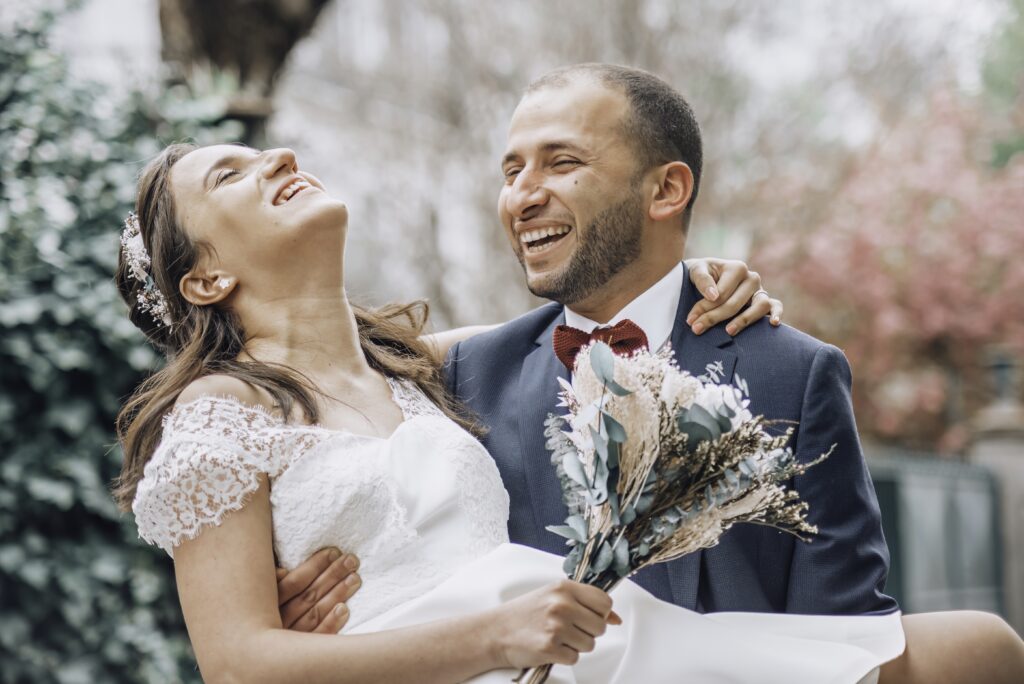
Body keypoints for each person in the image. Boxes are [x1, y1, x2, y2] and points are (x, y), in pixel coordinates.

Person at [118, 137, 1024, 683]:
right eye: (232, 177)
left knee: (980, 652)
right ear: (205, 277)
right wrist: (496, 636)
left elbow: (595, 319)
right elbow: (235, 665)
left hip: (577, 641)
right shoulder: (219, 412)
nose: (278, 158)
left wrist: (699, 277)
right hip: (491, 654)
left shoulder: (421, 368)